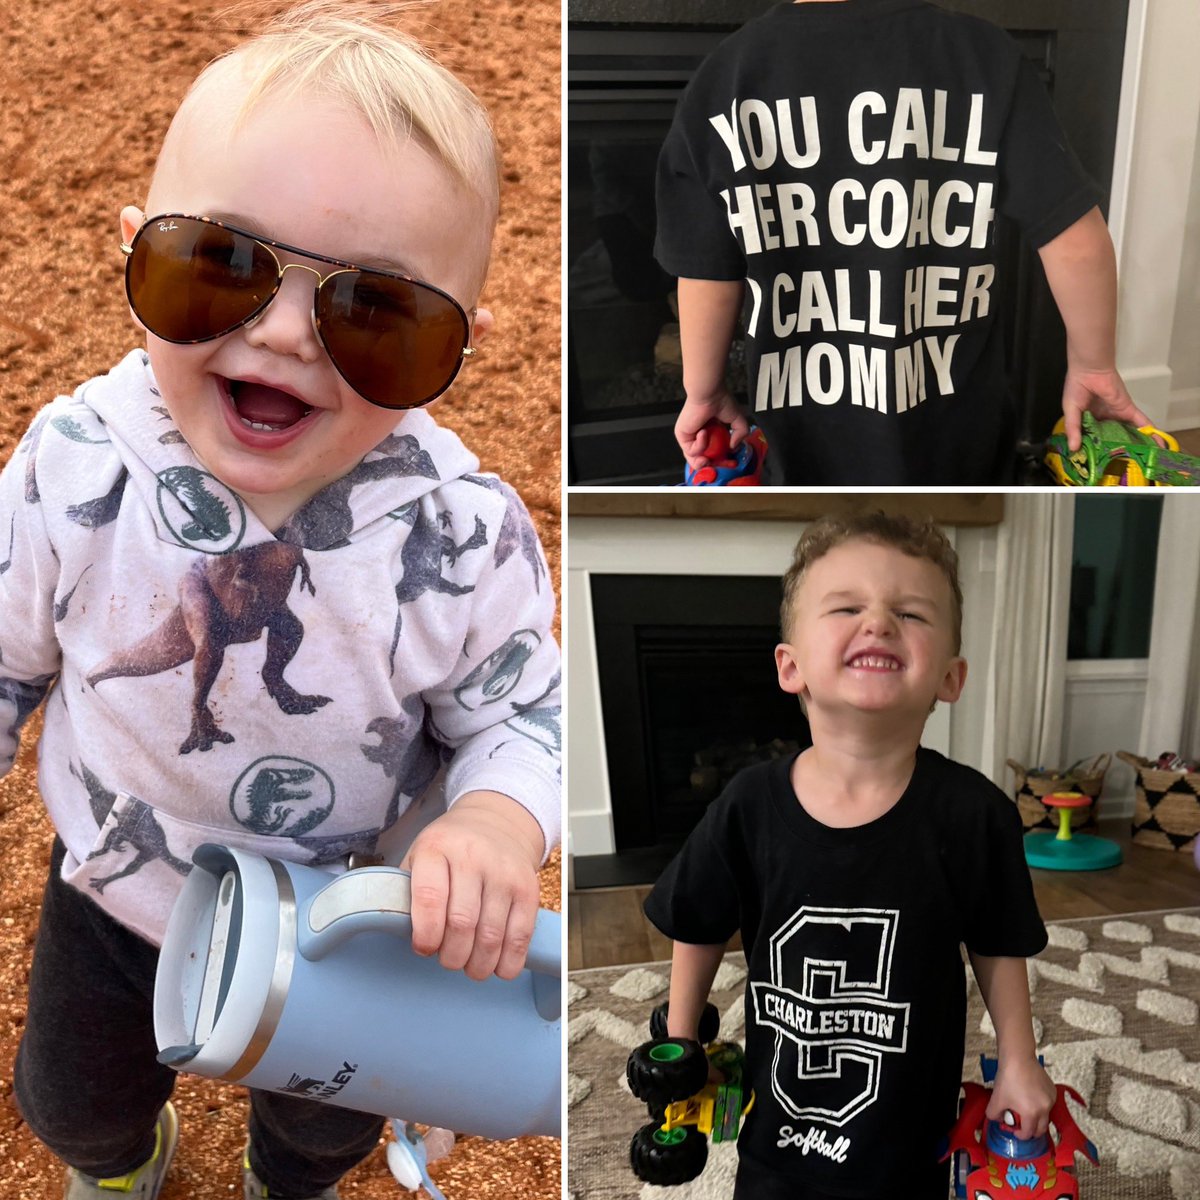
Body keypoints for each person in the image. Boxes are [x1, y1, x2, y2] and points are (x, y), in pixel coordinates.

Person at [0, 4, 560, 1198]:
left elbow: (521, 717)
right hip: (116, 877)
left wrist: (498, 822)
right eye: (220, 265)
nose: (288, 332)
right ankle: (123, 1161)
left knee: (318, 1140)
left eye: (379, 313)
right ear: (130, 250)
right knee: (71, 1103)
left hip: (346, 923)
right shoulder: (74, 469)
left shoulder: (461, 534)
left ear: (462, 346)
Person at [644, 512, 1052, 1199]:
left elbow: (997, 942)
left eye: (911, 613)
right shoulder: (748, 805)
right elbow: (699, 921)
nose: (880, 623)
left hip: (910, 1145)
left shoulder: (974, 814)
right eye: (846, 607)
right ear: (790, 665)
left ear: (951, 678)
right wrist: (681, 1046)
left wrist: (1018, 1062)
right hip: (778, 1142)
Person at [655, 0, 1147, 485]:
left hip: (806, 434)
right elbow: (1076, 237)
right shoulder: (981, 56)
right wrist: (1092, 364)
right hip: (959, 430)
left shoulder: (726, 75)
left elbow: (705, 267)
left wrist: (703, 391)